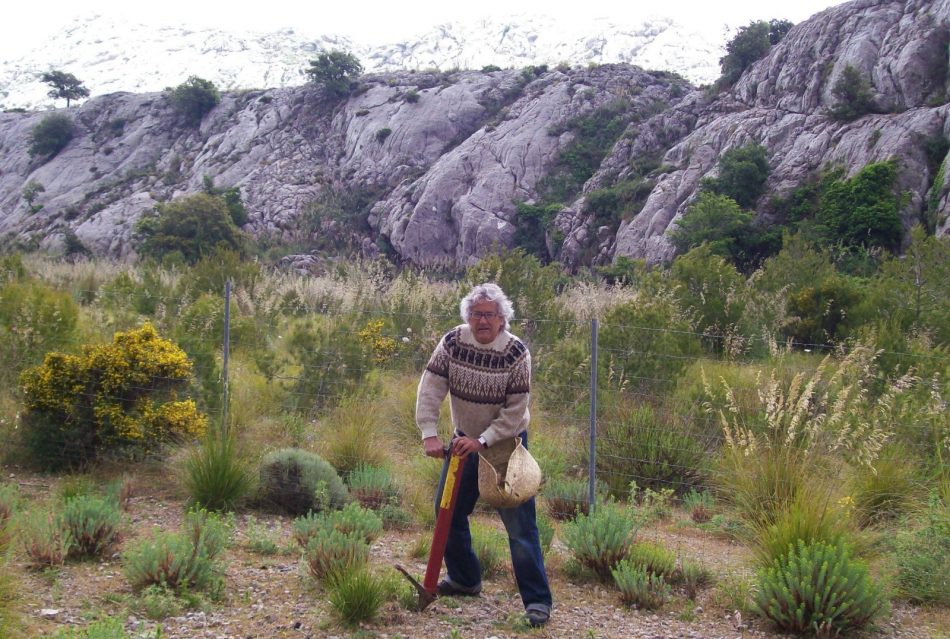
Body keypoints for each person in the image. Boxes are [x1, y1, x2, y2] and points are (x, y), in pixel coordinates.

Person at [415, 282, 552, 628]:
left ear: (502, 318)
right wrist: (429, 432)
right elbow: (431, 387)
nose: (482, 321)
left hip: (505, 447)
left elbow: (516, 412)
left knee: (520, 528)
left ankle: (537, 602)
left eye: (489, 314)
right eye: (476, 314)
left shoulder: (516, 353)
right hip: (463, 444)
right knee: (447, 512)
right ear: (468, 317)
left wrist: (484, 441)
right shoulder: (453, 343)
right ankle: (464, 579)